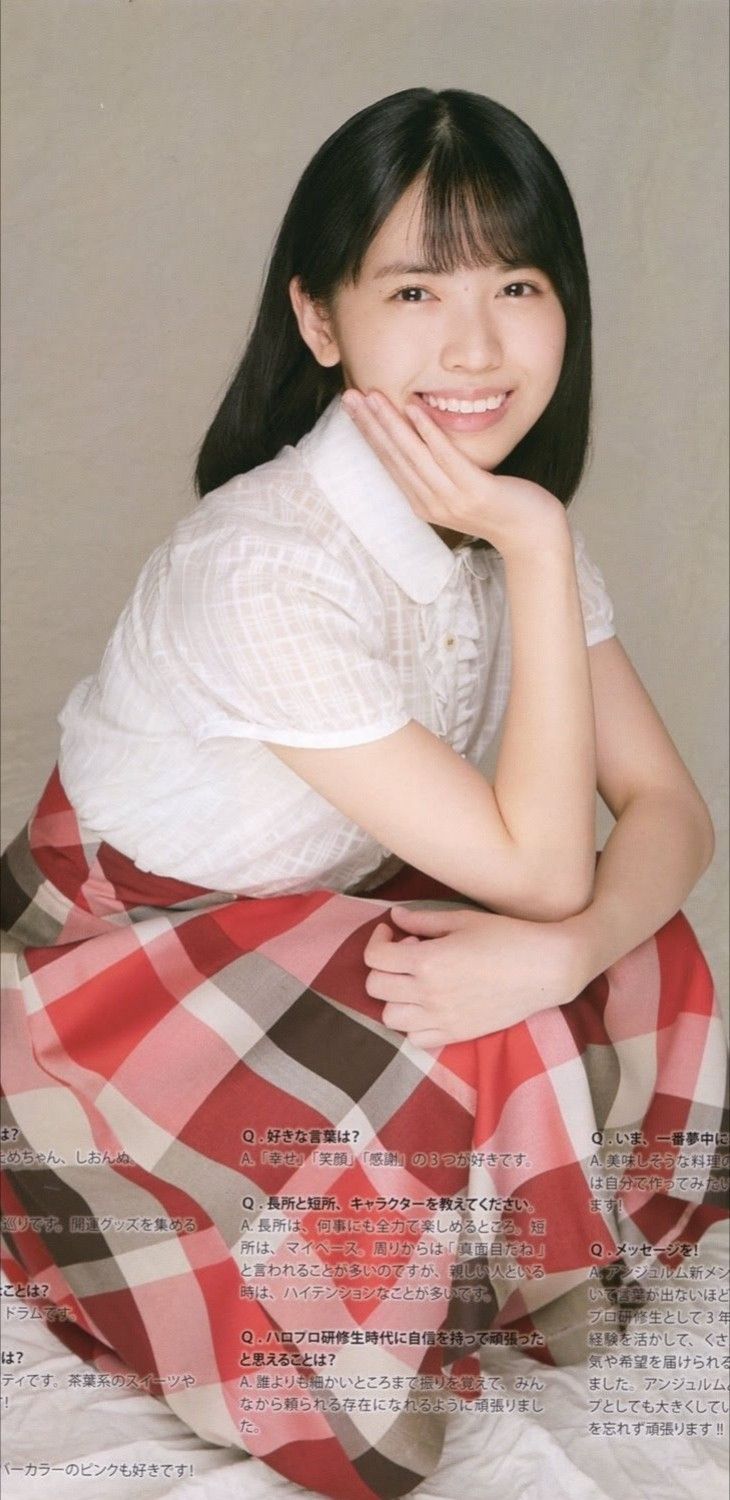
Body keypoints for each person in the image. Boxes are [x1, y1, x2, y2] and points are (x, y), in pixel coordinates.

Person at [1, 87, 727, 1500]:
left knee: (630, 947)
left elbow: (669, 811)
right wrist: (531, 537)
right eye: (413, 290)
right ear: (319, 320)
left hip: (307, 921)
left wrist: (567, 948)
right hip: (113, 974)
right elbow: (540, 864)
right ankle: (50, 1179)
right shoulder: (264, 563)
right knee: (360, 1394)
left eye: (517, 285)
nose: (476, 345)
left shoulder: (497, 524)